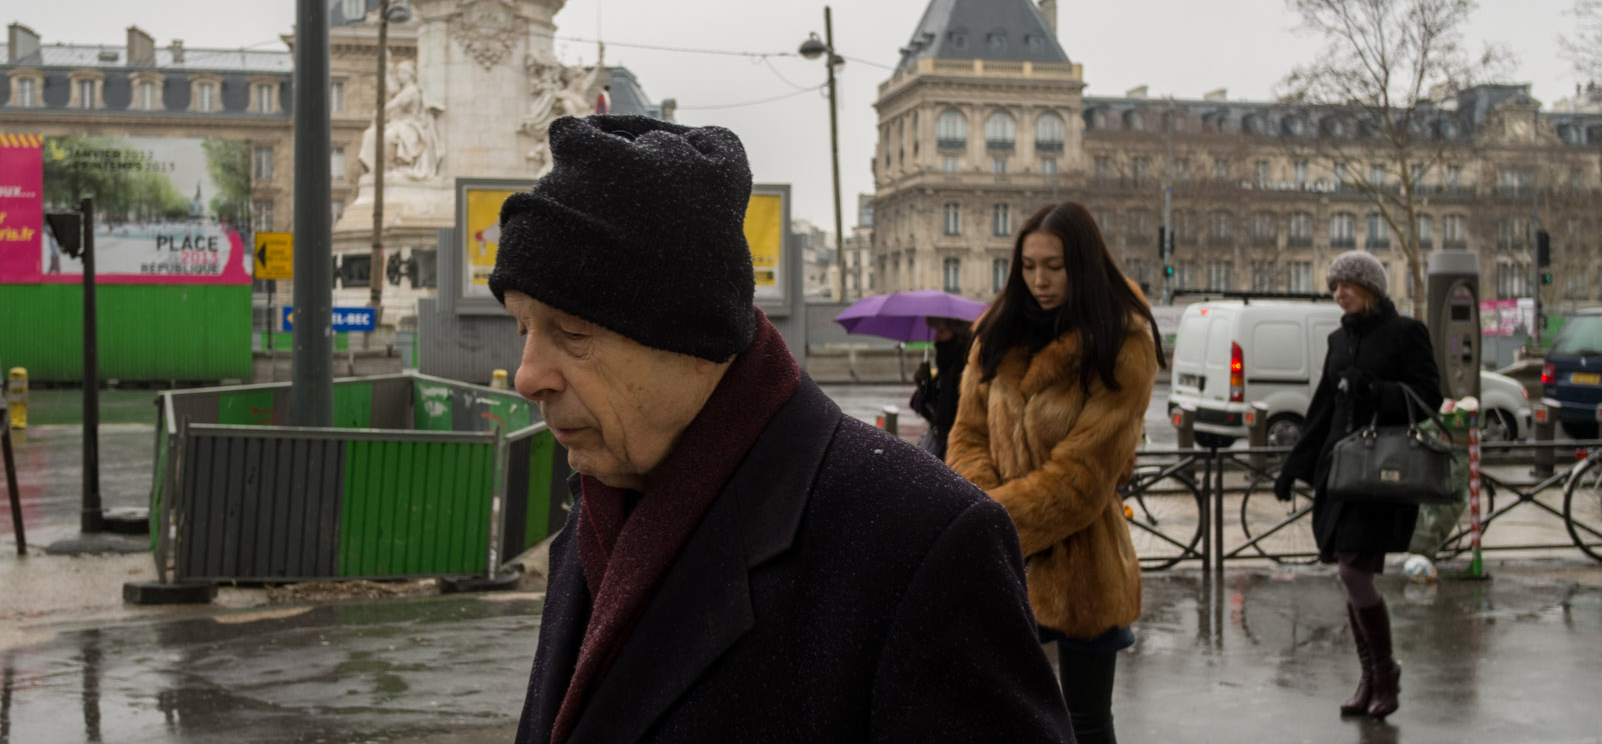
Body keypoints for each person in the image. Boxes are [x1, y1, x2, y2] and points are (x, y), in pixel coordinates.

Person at [493, 115, 1073, 744]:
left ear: (693, 339)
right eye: (522, 329)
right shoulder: (598, 510)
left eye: (572, 333)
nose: (528, 377)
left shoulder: (924, 543)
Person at [945, 201, 1166, 744]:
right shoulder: (996, 335)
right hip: (1001, 561)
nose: (1039, 280)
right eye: (1028, 266)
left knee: (1086, 723)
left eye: (1054, 266)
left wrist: (991, 524)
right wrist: (985, 511)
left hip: (1082, 565)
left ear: (1083, 265)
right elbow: (966, 436)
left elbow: (1082, 481)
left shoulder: (1120, 344)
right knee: (1000, 719)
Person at [1273, 250, 1442, 721]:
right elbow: (1322, 409)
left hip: (1381, 474)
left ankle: (1385, 671)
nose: (1338, 293)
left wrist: (1374, 391)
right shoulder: (1337, 340)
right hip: (1339, 473)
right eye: (1333, 286)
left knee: (1353, 572)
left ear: (1370, 287)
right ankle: (1369, 677)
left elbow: (1431, 397)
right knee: (1348, 572)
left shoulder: (1406, 333)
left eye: (1346, 284)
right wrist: (1293, 469)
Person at [909, 316, 973, 459]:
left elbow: (947, 417)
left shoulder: (963, 369)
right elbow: (929, 411)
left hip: (956, 449)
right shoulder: (946, 368)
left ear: (957, 333)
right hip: (943, 444)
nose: (935, 337)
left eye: (941, 331)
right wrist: (925, 384)